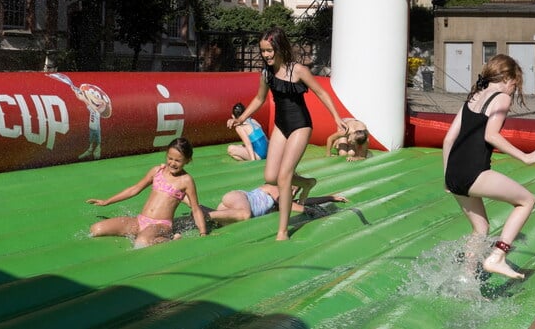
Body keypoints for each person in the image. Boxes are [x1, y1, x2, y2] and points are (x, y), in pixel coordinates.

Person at [228, 27, 345, 240]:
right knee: (271, 176)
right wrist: (241, 118)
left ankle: (283, 231)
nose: (266, 55)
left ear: (280, 48)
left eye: (270, 50)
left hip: (300, 125)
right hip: (281, 126)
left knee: (284, 176)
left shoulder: (298, 70)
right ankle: (307, 183)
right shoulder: (266, 74)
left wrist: (337, 118)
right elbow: (258, 99)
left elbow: (321, 93)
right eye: (263, 51)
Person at [442, 54, 535, 279]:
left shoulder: (474, 96)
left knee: (481, 228)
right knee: (526, 201)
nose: (514, 90)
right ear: (508, 78)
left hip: (453, 173)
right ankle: (498, 256)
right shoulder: (501, 97)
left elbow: (448, 139)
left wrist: (446, 177)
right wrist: (525, 157)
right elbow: (491, 135)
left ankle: (466, 278)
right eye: (515, 84)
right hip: (473, 172)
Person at [86, 137, 208, 248]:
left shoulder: (186, 180)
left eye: (178, 160)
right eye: (170, 158)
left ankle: (170, 239)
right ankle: (146, 235)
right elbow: (135, 189)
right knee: (96, 229)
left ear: (187, 160)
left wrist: (203, 233)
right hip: (140, 221)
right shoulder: (157, 171)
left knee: (141, 242)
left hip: (161, 226)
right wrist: (107, 201)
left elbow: (195, 208)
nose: (172, 163)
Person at [184, 183, 348, 228]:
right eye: (291, 188)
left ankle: (191, 203)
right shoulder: (274, 188)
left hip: (229, 209)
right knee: (245, 214)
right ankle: (205, 215)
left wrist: (331, 198)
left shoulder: (287, 201)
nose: (292, 192)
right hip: (240, 198)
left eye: (295, 191)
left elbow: (304, 201)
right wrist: (308, 211)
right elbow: (289, 205)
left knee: (223, 221)